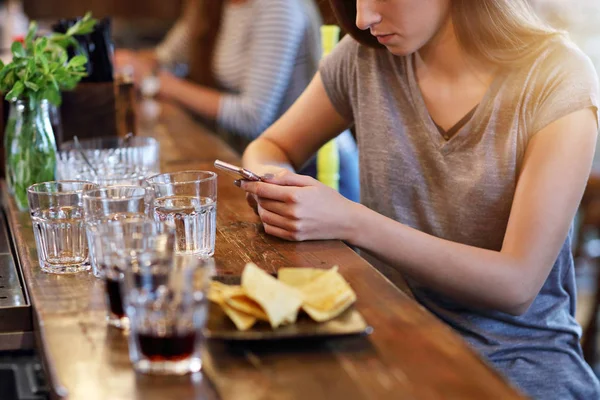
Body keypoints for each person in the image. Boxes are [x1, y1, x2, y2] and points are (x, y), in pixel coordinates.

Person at [237, 0, 600, 398]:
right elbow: (270, 146)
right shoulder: (365, 57)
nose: (362, 18)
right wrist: (274, 184)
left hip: (515, 365)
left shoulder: (559, 77)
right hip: (380, 338)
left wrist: (350, 220)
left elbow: (516, 286)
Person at [116, 0, 360, 201]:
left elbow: (252, 116)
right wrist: (130, 61)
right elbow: (166, 57)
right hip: (259, 163)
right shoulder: (212, 6)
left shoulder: (279, 7)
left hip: (316, 172)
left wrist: (161, 83)